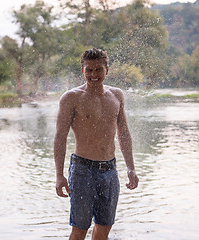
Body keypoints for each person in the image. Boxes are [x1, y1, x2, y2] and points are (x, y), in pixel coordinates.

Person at [54, 48, 139, 240]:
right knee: (80, 229)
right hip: (83, 170)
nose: (94, 75)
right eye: (89, 70)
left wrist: (131, 168)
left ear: (107, 70)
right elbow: (60, 136)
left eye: (98, 69)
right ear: (82, 71)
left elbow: (123, 132)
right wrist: (59, 175)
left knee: (104, 227)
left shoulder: (117, 95)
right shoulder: (71, 98)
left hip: (110, 171)